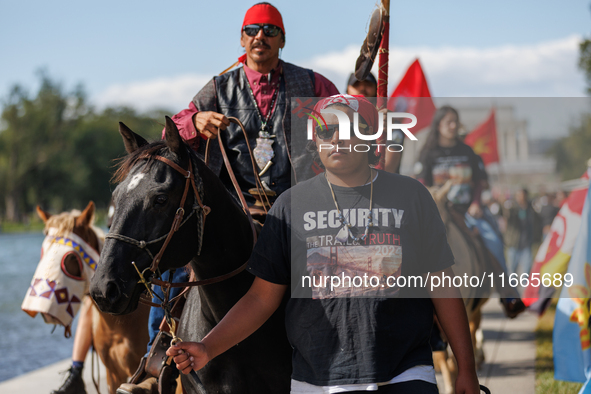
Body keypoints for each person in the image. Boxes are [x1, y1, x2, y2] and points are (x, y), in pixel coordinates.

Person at [166, 95, 481, 393]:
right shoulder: (290, 207)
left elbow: (442, 283)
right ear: (315, 140)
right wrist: (208, 346)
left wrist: (466, 367)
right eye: (326, 130)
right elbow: (261, 298)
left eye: (350, 130)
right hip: (319, 380)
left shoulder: (412, 197)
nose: (337, 139)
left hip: (404, 374)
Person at [119, 3, 339, 393]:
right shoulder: (220, 88)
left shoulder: (312, 85)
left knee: (341, 271)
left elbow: (346, 120)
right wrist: (196, 123)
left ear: (282, 40)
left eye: (270, 31)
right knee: (178, 254)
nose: (261, 37)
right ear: (242, 39)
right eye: (253, 30)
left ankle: (349, 351)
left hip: (301, 207)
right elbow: (177, 128)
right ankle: (158, 355)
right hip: (236, 210)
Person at [416, 105, 525, 317]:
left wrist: (476, 203)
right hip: (438, 212)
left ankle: (508, 293)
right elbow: (421, 183)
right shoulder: (427, 154)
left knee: (492, 239)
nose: (453, 126)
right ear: (438, 125)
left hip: (468, 211)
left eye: (455, 121)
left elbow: (480, 182)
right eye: (449, 122)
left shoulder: (467, 152)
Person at [345, 72, 404, 174]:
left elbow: (387, 167)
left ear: (377, 90)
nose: (362, 88)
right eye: (357, 84)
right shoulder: (337, 122)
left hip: (382, 186)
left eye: (368, 84)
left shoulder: (390, 123)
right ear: (347, 90)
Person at [505, 188, 540, 278]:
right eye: (518, 196)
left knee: (526, 272)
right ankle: (512, 290)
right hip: (514, 245)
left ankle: (524, 291)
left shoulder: (531, 209)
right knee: (512, 272)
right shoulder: (512, 208)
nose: (520, 198)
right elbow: (506, 215)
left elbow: (537, 223)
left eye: (522, 195)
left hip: (526, 245)